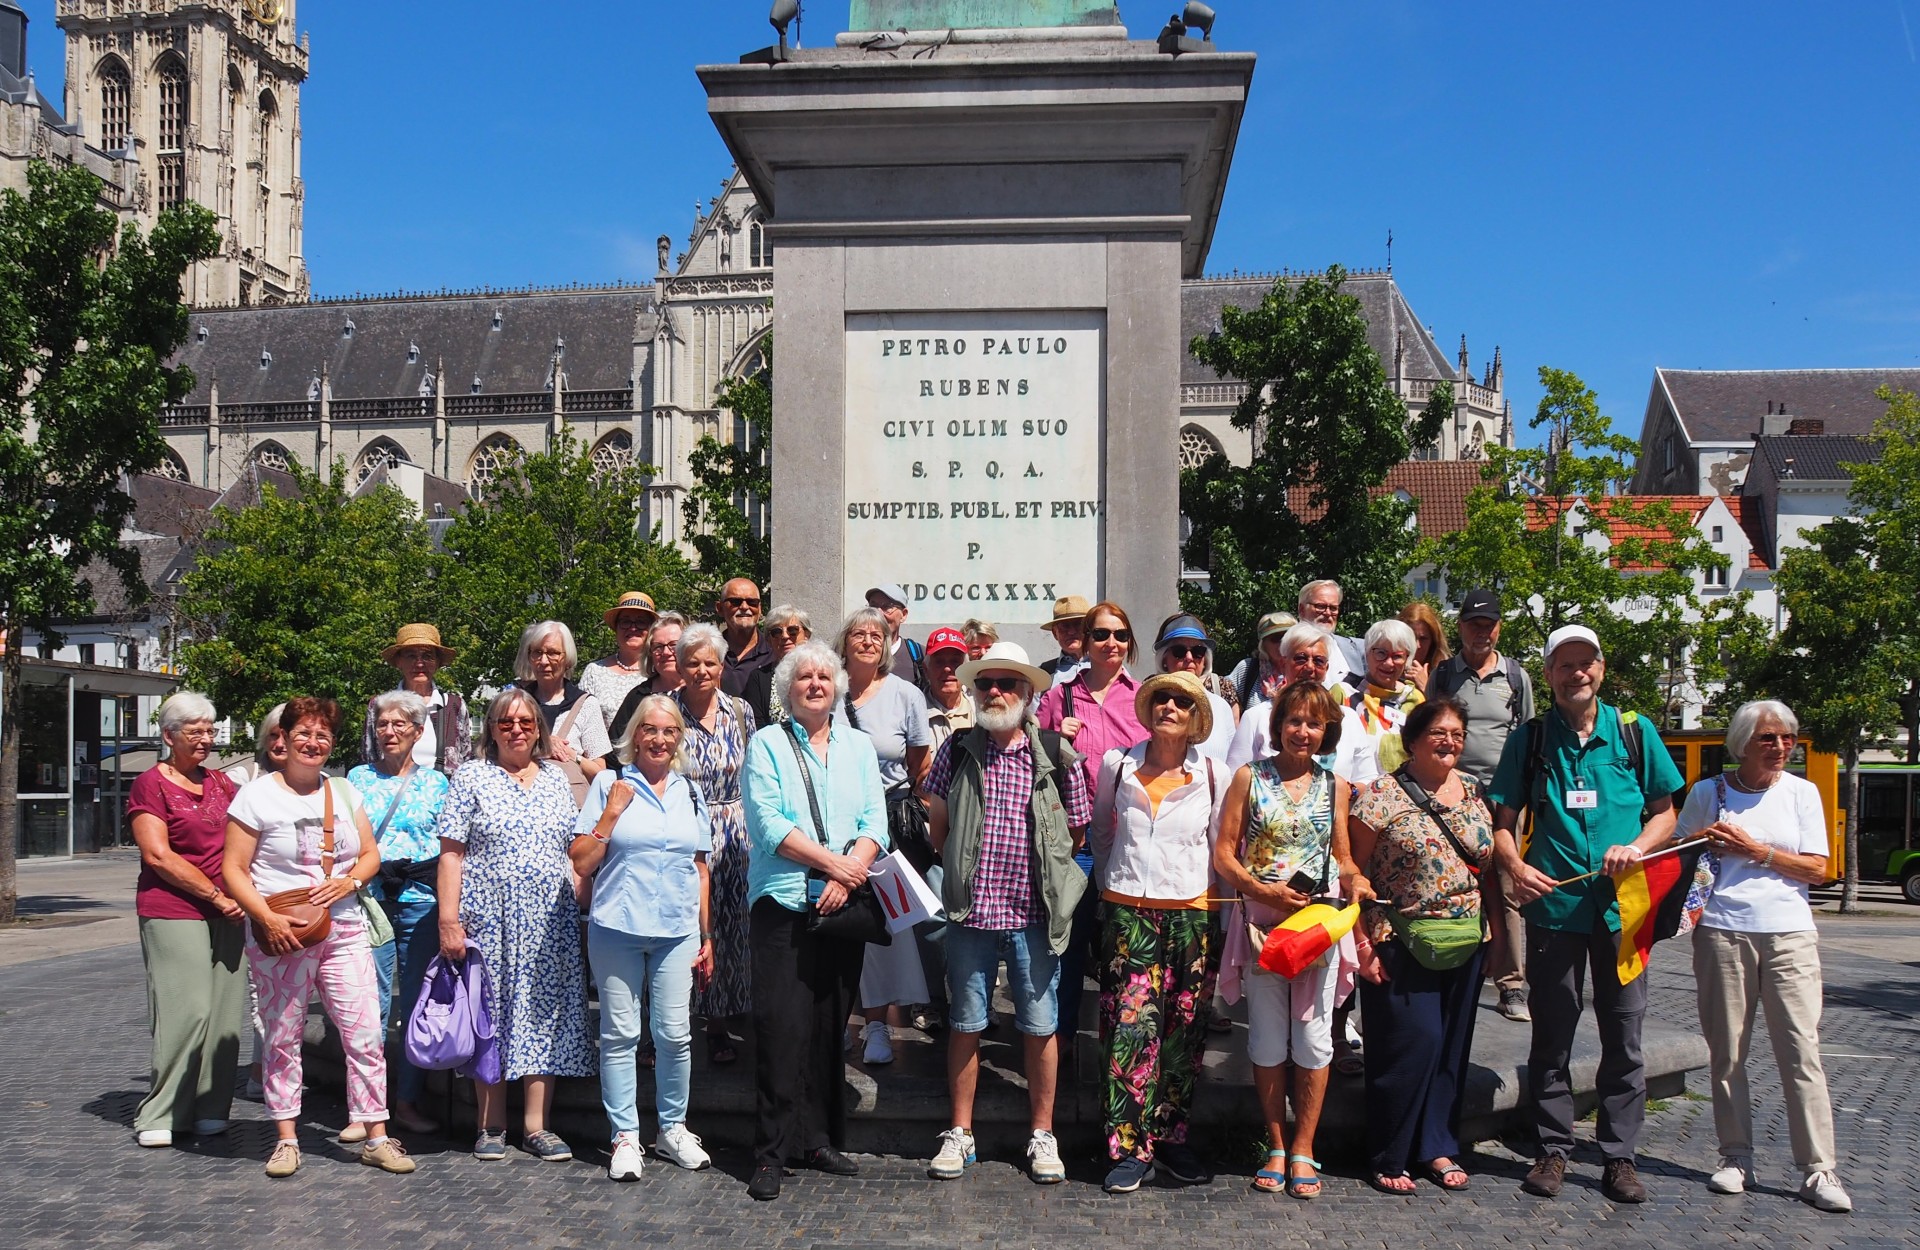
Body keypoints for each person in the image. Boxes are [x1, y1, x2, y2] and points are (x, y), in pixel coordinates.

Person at [1487, 624, 1684, 1205]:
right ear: (1547, 675)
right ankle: (1553, 1148)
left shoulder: (1634, 731)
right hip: (1557, 907)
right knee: (1552, 1033)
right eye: (1564, 665)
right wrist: (1516, 867)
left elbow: (1666, 814)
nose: (1576, 674)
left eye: (1586, 663)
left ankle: (1619, 1157)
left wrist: (1639, 848)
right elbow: (1503, 823)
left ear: (1601, 668)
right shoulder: (1531, 740)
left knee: (1625, 1034)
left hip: (1624, 910)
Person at [224, 697, 415, 1178]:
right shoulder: (256, 796)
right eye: (304, 733)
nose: (314, 742)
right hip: (282, 931)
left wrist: (350, 882)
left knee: (366, 1033)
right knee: (283, 1035)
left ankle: (375, 1132)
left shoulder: (344, 790)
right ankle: (286, 1137)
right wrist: (264, 918)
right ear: (281, 741)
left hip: (344, 928)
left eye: (323, 735)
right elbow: (234, 870)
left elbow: (369, 854)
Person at [925, 642, 1089, 1186]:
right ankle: (961, 1133)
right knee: (966, 1023)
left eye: (1008, 684)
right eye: (986, 683)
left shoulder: (1055, 753)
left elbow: (1078, 831)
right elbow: (938, 829)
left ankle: (1043, 1134)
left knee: (1041, 1027)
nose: (995, 692)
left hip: (1035, 914)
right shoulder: (956, 749)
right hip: (970, 911)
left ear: (1028, 694)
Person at [1679, 700, 1850, 1212]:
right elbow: (1679, 850)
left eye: (1787, 738)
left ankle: (1819, 1171)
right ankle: (1736, 1158)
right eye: (1769, 738)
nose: (1780, 747)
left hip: (1790, 935)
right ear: (1742, 743)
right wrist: (1702, 840)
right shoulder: (1709, 791)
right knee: (1727, 1052)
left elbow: (1819, 869)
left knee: (1801, 1051)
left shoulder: (1802, 792)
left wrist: (1759, 852)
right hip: (1723, 932)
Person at [740, 641, 888, 1201]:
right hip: (783, 903)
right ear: (787, 688)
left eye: (825, 675)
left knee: (830, 1027)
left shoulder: (858, 746)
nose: (816, 682)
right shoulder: (767, 743)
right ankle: (771, 1152)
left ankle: (819, 1138)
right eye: (804, 676)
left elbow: (876, 817)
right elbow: (768, 822)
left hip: (842, 906)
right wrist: (835, 865)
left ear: (839, 686)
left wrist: (846, 875)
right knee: (782, 1029)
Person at [1213, 681, 1373, 1199]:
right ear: (1278, 724)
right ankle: (1276, 1144)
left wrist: (1354, 879)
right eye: (1294, 721)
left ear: (1326, 731)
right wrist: (1263, 890)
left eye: (1314, 723)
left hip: (1315, 927)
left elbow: (1344, 855)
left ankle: (1304, 1146)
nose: (1303, 732)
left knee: (1312, 1038)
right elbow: (1224, 854)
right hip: (1263, 925)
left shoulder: (1337, 786)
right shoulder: (1247, 778)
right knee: (1265, 1037)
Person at [436, 687, 598, 1163]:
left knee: (543, 1015)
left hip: (551, 921)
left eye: (526, 722)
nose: (517, 730)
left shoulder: (554, 778)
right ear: (491, 729)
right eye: (506, 722)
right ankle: (490, 1124)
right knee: (492, 1013)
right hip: (488, 918)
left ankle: (537, 1125)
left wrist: (581, 899)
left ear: (539, 730)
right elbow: (451, 854)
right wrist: (449, 920)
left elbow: (572, 852)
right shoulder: (471, 777)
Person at [1348, 698, 1492, 1194]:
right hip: (1399, 937)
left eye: (1457, 732)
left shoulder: (1473, 790)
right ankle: (1390, 1151)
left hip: (1467, 938)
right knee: (1412, 1044)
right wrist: (1362, 943)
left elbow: (1487, 860)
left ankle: (1437, 1145)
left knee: (1452, 1047)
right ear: (1412, 739)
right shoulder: (1378, 796)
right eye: (1438, 732)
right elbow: (1357, 875)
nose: (1450, 741)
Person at [1089, 670, 1225, 1193]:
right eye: (1162, 698)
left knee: (1182, 1032)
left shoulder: (1213, 772)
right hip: (1128, 914)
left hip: (1191, 913)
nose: (1170, 706)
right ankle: (1128, 1146)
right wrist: (1113, 886)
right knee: (1128, 1031)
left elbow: (1219, 846)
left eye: (1182, 702)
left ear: (1195, 719)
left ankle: (1169, 1138)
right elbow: (1103, 831)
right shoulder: (1117, 765)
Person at [572, 695, 716, 1178]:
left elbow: (700, 868)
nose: (659, 739)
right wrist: (610, 815)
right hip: (617, 926)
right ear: (634, 735)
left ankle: (672, 1128)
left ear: (678, 738)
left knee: (675, 1035)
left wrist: (707, 934)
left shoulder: (689, 792)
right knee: (619, 1035)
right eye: (650, 730)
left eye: (668, 731)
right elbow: (581, 860)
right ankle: (625, 1137)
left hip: (677, 930)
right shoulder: (611, 783)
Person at [127, 691, 245, 1149]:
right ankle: (162, 1110)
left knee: (224, 1016)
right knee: (187, 1010)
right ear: (168, 735)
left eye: (210, 730)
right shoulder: (150, 784)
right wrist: (215, 895)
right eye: (194, 730)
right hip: (175, 908)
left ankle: (211, 1108)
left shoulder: (222, 784)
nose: (205, 738)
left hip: (230, 910)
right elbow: (158, 854)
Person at [1034, 601, 1148, 1045]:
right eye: (1101, 634)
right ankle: (1056, 1048)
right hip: (1075, 842)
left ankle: (1121, 1046)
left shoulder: (1142, 699)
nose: (1111, 643)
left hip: (1128, 843)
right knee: (1066, 944)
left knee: (1123, 949)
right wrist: (1050, 737)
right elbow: (1032, 761)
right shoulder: (1058, 696)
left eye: (1120, 635)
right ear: (1085, 639)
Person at [346, 689, 452, 1135]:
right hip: (371, 902)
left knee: (415, 1005)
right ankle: (363, 1108)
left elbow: (449, 845)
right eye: (382, 725)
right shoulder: (355, 779)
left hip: (420, 904)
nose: (389, 732)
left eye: (399, 725)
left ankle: (406, 1100)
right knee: (366, 1005)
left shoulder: (438, 783)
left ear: (418, 730)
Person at [1428, 588, 1535, 1023]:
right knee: (1451, 884)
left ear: (1499, 627)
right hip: (1453, 794)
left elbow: (1528, 736)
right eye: (1473, 625)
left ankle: (1511, 985)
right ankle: (1456, 968)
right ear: (1460, 628)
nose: (1481, 633)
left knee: (1507, 888)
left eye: (1488, 625)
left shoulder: (1515, 675)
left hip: (1504, 798)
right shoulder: (1444, 675)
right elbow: (1434, 728)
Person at [835, 607, 933, 1065]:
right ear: (845, 641)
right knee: (830, 922)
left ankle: (876, 1025)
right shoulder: (827, 689)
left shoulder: (906, 694)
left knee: (879, 924)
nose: (869, 640)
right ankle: (835, 1021)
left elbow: (918, 761)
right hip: (831, 821)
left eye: (878, 634)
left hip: (886, 823)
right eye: (860, 633)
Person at [673, 623, 757, 1065]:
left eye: (710, 662)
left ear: (721, 667)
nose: (702, 670)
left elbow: (755, 772)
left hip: (735, 829)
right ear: (679, 667)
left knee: (730, 927)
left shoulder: (741, 711)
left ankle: (720, 1022)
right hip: (682, 828)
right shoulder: (664, 711)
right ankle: (672, 1022)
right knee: (682, 924)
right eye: (693, 663)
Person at [1225, 623, 1378, 787]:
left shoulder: (1348, 719)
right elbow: (1234, 781)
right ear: (1284, 664)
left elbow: (1368, 779)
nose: (1310, 667)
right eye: (1301, 658)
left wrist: (1347, 792)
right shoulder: (1256, 717)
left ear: (1326, 668)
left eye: (1318, 661)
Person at [513, 620, 611, 805]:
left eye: (552, 653)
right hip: (519, 808)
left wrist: (572, 755)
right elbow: (492, 752)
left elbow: (600, 773)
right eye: (537, 653)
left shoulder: (585, 705)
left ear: (567, 659)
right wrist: (541, 744)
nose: (543, 661)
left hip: (570, 810)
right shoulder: (515, 702)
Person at [358, 624, 473, 776]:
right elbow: (369, 756)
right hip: (390, 792)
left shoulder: (453, 705)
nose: (419, 663)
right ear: (398, 661)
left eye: (427, 656)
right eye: (411, 656)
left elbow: (466, 759)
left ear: (438, 662)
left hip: (442, 795)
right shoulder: (379, 705)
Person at [1346, 619, 1426, 773]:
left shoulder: (1416, 700)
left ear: (1407, 658)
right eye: (1381, 653)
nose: (1389, 663)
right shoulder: (1346, 693)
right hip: (1354, 788)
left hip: (1402, 791)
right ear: (1368, 652)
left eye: (1397, 656)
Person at [1152, 613, 1236, 759]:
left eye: (1198, 651)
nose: (1189, 658)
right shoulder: (1150, 702)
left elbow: (1232, 767)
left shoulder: (1221, 707)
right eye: (1179, 651)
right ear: (1164, 658)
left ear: (1205, 659)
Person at [579, 590, 661, 735]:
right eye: (626, 621)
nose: (633, 627)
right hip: (603, 756)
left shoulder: (660, 671)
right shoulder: (595, 672)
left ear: (651, 629)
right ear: (616, 628)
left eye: (641, 622)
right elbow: (580, 721)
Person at [609, 611, 690, 749]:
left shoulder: (702, 689)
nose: (665, 652)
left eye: (674, 645)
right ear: (650, 653)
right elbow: (616, 749)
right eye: (658, 646)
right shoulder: (638, 697)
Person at [745, 604, 810, 726]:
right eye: (776, 632)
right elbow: (757, 726)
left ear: (807, 634)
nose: (785, 636)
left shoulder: (823, 672)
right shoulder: (759, 678)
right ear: (769, 640)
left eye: (793, 630)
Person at [1297, 580, 1365, 691]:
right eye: (1320, 606)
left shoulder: (1358, 649)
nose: (1328, 613)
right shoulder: (1281, 647)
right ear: (1302, 609)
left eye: (1333, 608)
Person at [1223, 611, 1296, 711]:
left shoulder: (1303, 669)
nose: (1282, 643)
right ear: (1263, 644)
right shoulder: (1248, 669)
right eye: (1276, 639)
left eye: (1287, 637)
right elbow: (1222, 696)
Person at [865, 582, 927, 691]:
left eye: (887, 607)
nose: (879, 613)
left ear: (903, 615)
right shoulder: (856, 654)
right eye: (873, 606)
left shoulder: (919, 655)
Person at [718, 579, 774, 697]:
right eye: (735, 602)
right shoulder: (710, 652)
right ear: (719, 608)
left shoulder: (774, 652)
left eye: (752, 602)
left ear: (760, 609)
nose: (744, 607)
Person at [922, 626, 974, 748]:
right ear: (926, 669)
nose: (947, 669)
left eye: (955, 661)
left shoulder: (980, 712)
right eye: (939, 662)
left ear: (965, 668)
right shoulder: (913, 713)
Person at [227, 703, 289, 785]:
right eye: (273, 735)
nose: (279, 744)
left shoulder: (310, 781)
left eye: (286, 736)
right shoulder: (241, 777)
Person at [1398, 602, 1451, 694]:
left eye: (1423, 639)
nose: (1417, 645)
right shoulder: (1385, 669)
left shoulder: (1446, 674)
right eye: (1411, 637)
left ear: (1433, 642)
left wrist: (1426, 687)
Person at [1039, 594, 1091, 679]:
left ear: (1089, 628)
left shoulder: (1107, 667)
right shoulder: (1044, 673)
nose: (1071, 632)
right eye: (1064, 626)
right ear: (1055, 633)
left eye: (1078, 624)